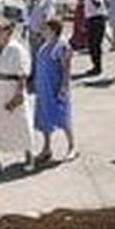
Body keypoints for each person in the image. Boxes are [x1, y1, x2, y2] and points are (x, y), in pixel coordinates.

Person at [0, 20, 34, 173]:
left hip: (13, 87)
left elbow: (23, 73)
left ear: (8, 32)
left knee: (21, 123)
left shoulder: (17, 49)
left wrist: (19, 94)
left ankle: (29, 157)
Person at [32, 19, 77, 162]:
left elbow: (66, 68)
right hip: (43, 89)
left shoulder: (61, 45)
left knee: (63, 117)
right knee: (44, 118)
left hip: (55, 87)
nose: (43, 31)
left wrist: (64, 86)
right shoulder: (45, 45)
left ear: (53, 30)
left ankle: (72, 147)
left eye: (45, 29)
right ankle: (47, 149)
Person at [82, 0, 108, 78]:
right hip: (91, 20)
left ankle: (98, 67)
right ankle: (95, 65)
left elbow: (98, 4)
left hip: (97, 20)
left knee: (95, 45)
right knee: (91, 45)